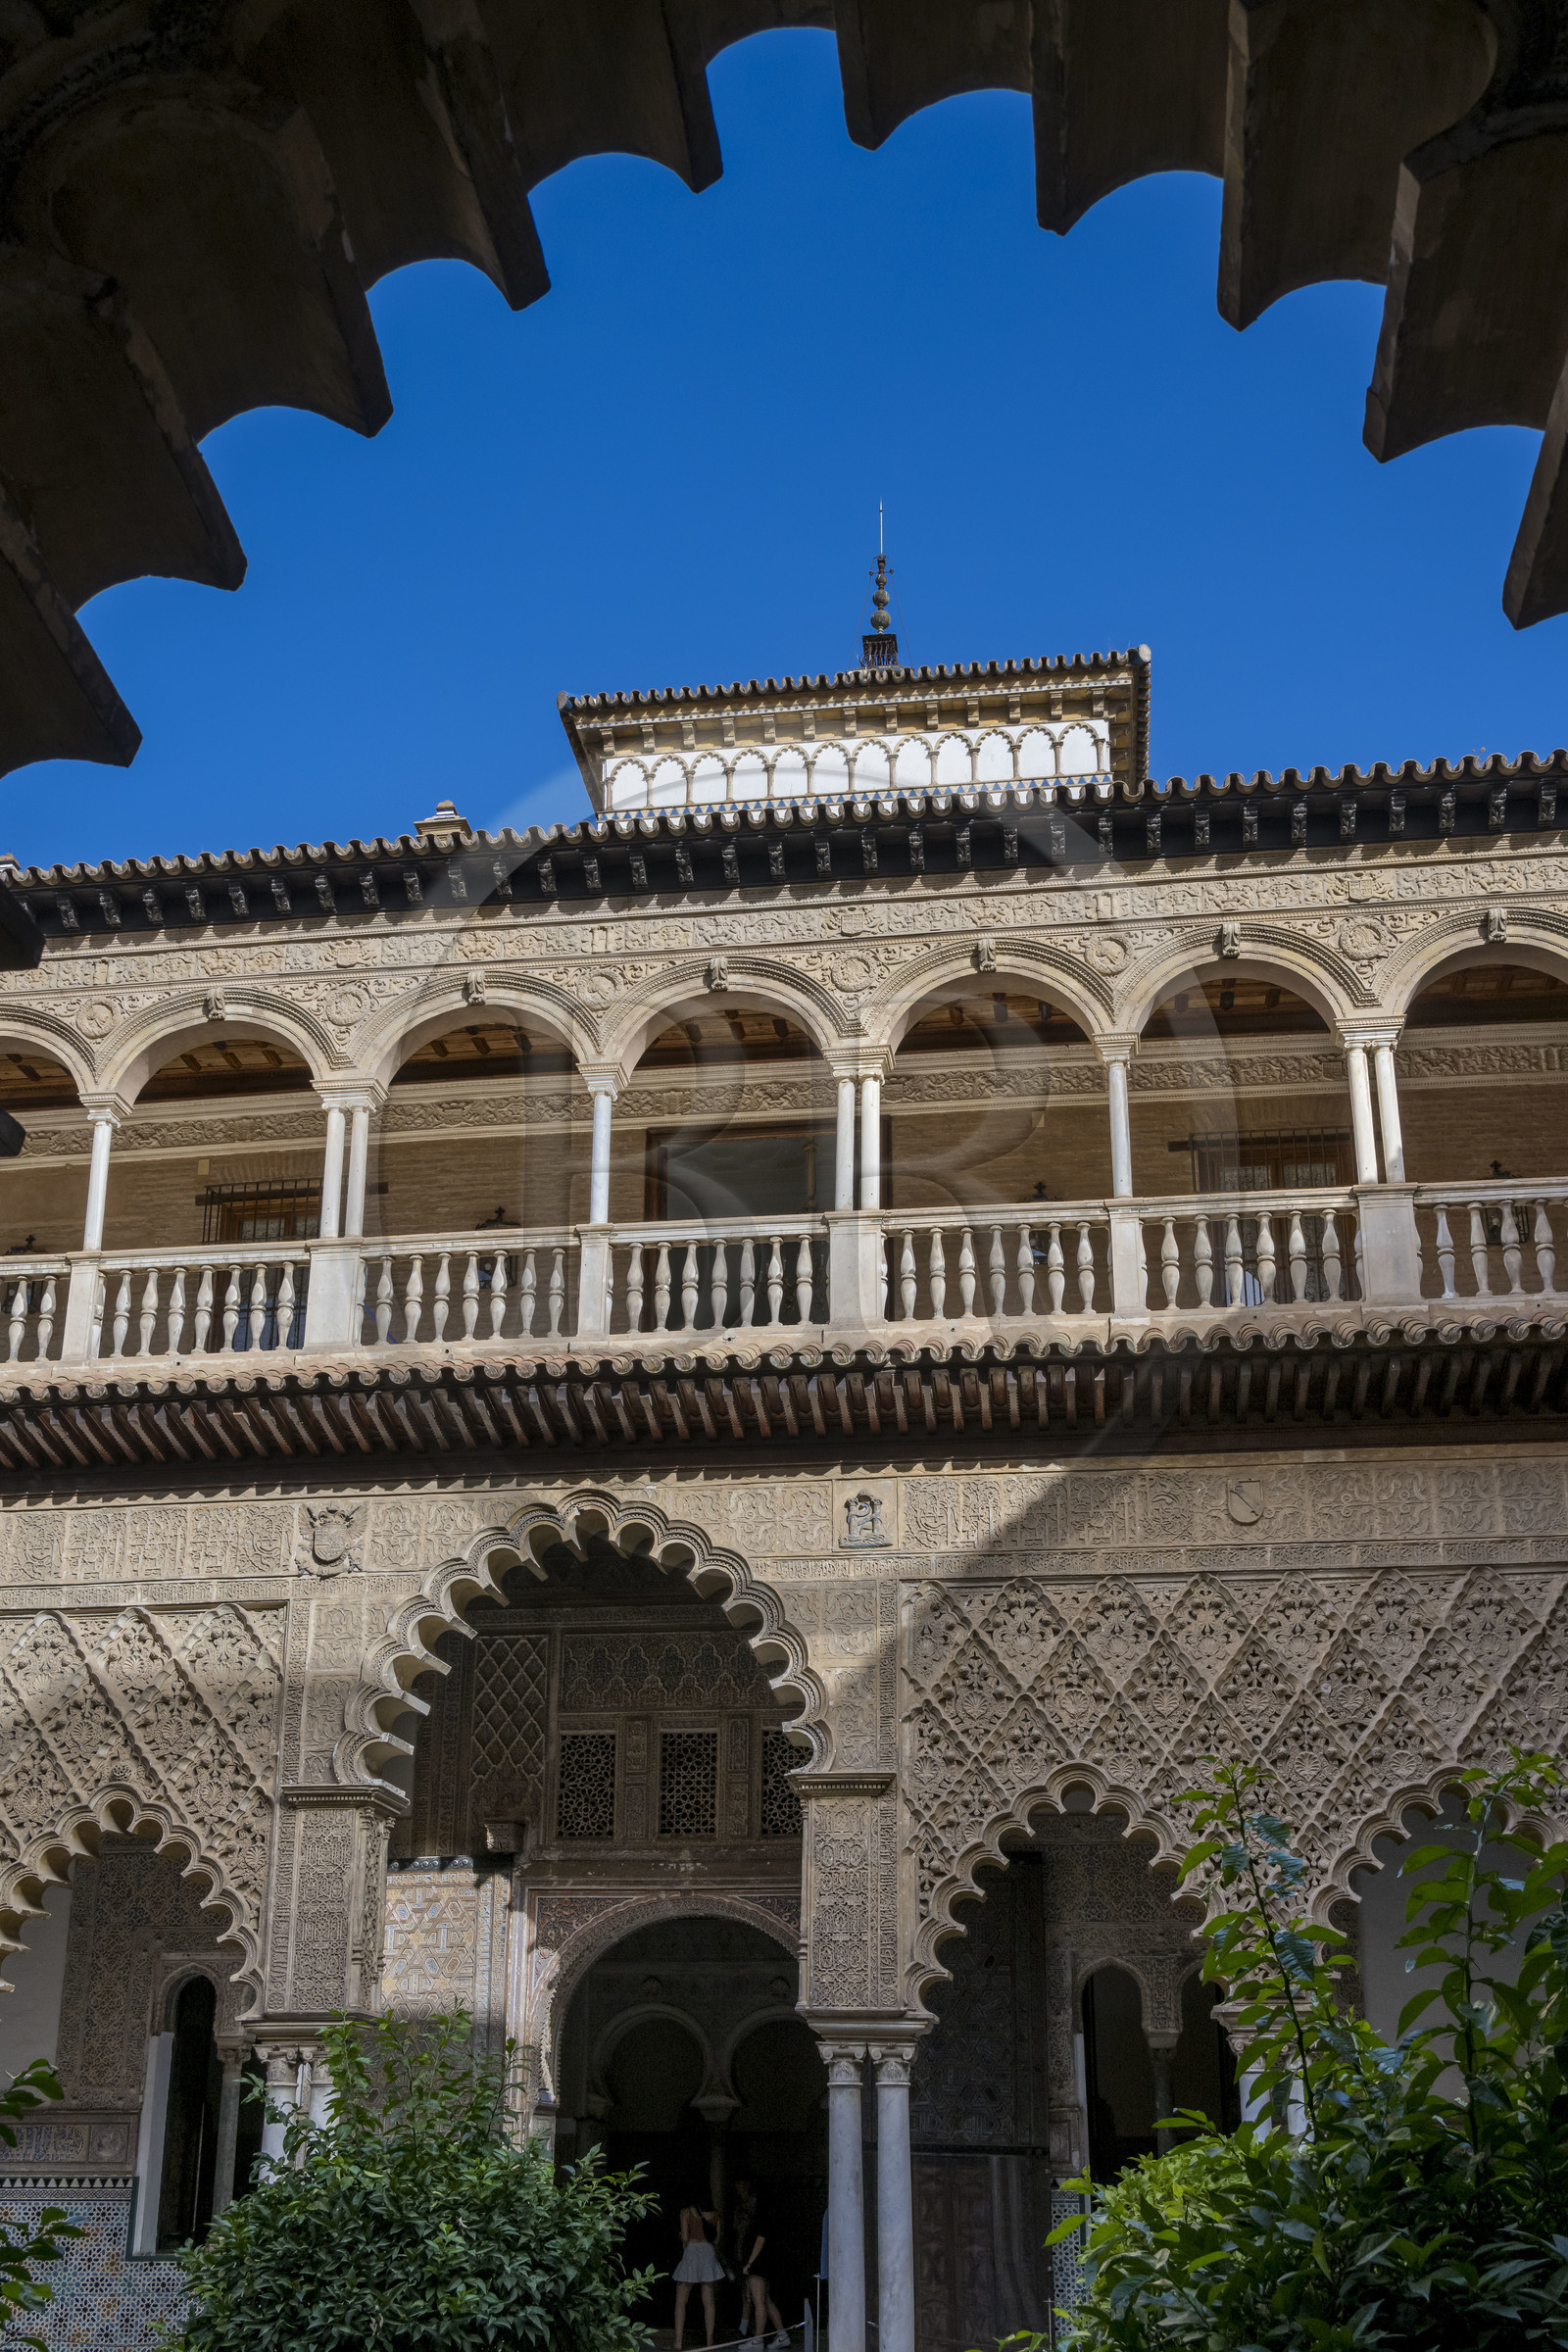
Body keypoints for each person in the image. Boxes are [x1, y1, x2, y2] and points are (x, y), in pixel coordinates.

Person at [734, 2181, 789, 2350]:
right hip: (763, 2263)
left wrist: (749, 2263)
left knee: (758, 2301)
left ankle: (758, 2339)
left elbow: (760, 2239)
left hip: (758, 2264)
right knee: (766, 2300)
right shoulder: (766, 2215)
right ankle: (782, 2335)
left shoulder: (761, 2217)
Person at [673, 2201, 724, 2350]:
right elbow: (716, 2240)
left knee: (681, 2299)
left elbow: (685, 2237)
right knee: (709, 2301)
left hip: (692, 2251)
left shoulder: (685, 2211)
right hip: (708, 2252)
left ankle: (678, 2342)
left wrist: (681, 2235)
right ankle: (709, 2342)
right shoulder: (716, 2214)